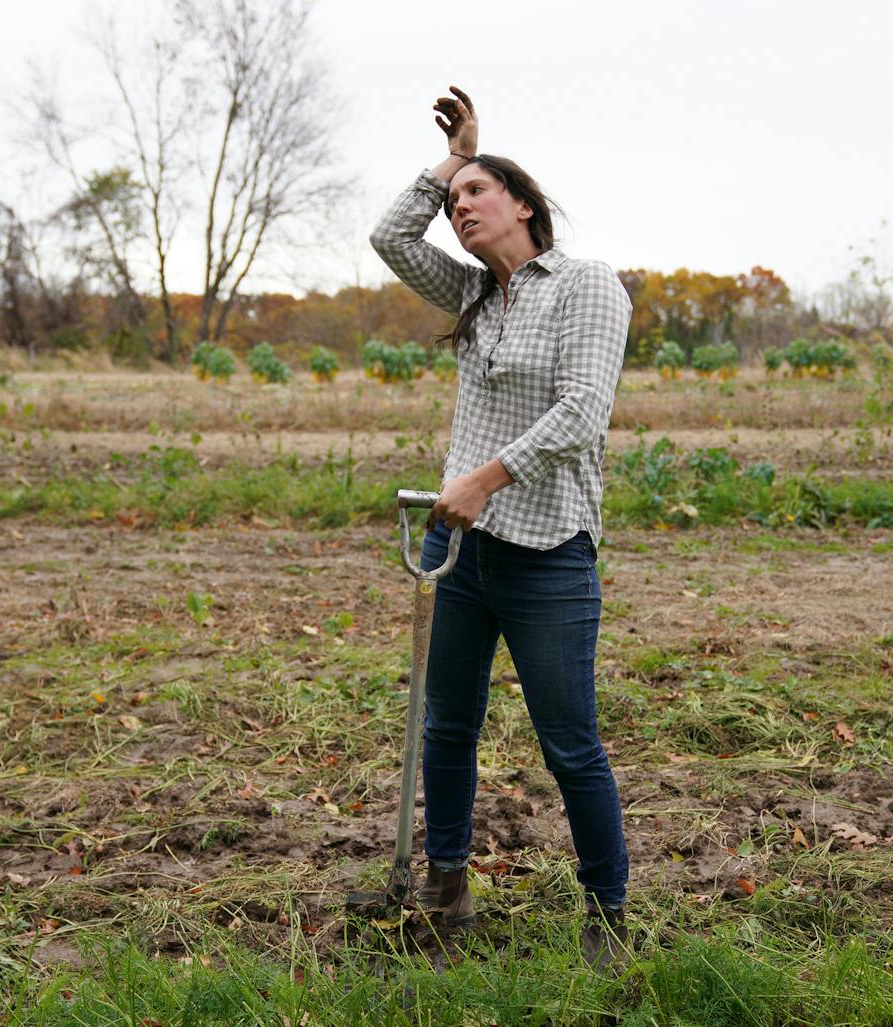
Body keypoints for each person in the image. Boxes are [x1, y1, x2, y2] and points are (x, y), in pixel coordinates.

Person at [369, 86, 632, 965]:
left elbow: (584, 409)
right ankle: (446, 891)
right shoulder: (475, 295)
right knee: (449, 726)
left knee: (569, 743)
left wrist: (485, 477)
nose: (458, 209)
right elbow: (389, 238)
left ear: (524, 202)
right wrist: (452, 157)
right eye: (454, 202)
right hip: (460, 550)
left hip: (548, 553)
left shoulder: (586, 284)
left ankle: (607, 913)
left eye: (476, 192)